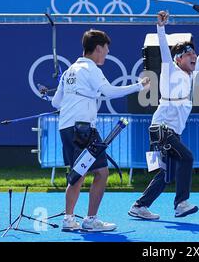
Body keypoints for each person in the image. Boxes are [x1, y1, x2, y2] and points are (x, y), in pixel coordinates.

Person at [128, 11, 199, 220]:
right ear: (178, 59)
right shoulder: (170, 69)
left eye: (194, 54)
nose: (194, 57)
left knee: (166, 174)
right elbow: (164, 50)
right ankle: (181, 203)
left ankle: (139, 206)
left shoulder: (193, 73)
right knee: (187, 158)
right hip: (162, 129)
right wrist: (161, 28)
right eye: (189, 54)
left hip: (170, 131)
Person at [51, 29, 150, 232]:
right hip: (84, 130)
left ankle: (69, 219)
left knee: (78, 173)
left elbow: (55, 102)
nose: (106, 53)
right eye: (106, 49)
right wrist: (139, 86)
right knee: (102, 173)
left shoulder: (69, 71)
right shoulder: (91, 70)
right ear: (98, 48)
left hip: (67, 128)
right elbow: (109, 92)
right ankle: (90, 219)